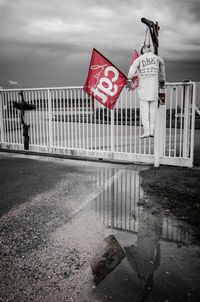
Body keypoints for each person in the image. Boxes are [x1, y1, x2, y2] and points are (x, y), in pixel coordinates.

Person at [126, 44, 166, 138]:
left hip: (144, 89)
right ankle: (151, 130)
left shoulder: (140, 59)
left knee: (145, 112)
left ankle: (147, 131)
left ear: (143, 50)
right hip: (153, 89)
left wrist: (129, 79)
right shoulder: (157, 58)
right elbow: (162, 67)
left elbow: (132, 68)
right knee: (153, 111)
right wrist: (162, 79)